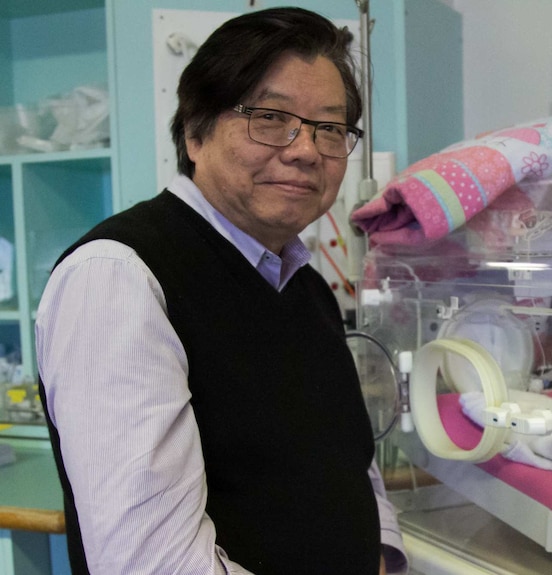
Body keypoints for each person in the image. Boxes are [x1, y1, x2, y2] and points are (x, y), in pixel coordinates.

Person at [36, 7, 407, 575]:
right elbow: (152, 564)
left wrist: (381, 552)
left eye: (330, 128)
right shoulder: (121, 278)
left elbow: (350, 461)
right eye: (270, 117)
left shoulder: (304, 285)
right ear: (194, 131)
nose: (306, 149)